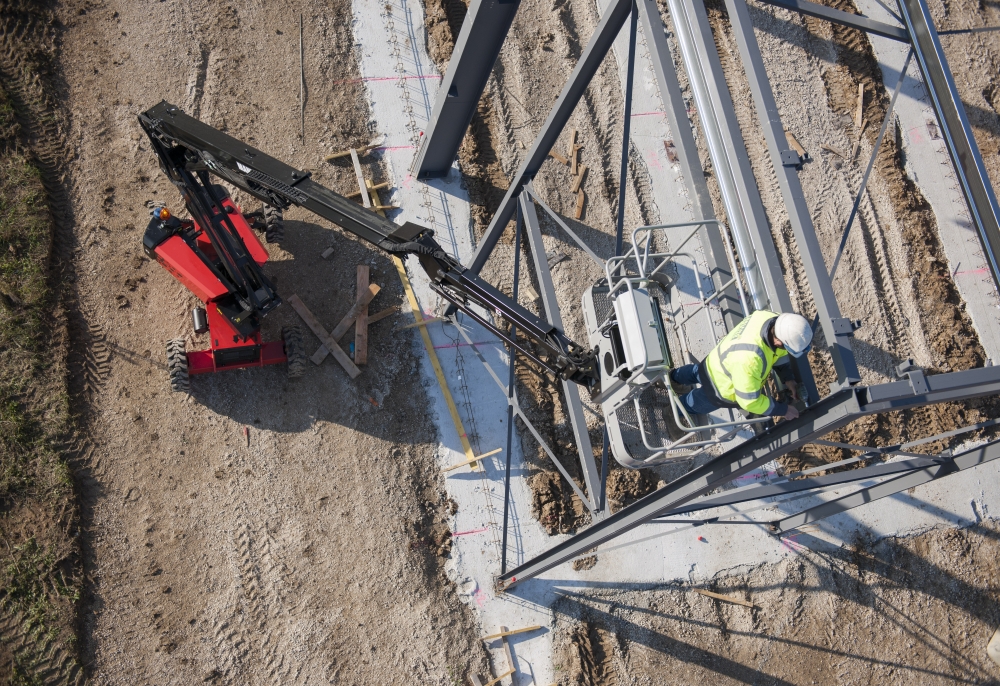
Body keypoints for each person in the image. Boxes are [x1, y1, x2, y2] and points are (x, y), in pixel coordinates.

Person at [669, 310, 812, 421]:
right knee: (695, 403)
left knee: (694, 372)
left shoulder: (771, 318)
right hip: (721, 387)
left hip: (716, 360)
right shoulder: (751, 359)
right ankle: (672, 412)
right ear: (779, 342)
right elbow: (750, 402)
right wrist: (783, 410)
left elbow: (779, 355)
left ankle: (671, 378)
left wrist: (788, 378)